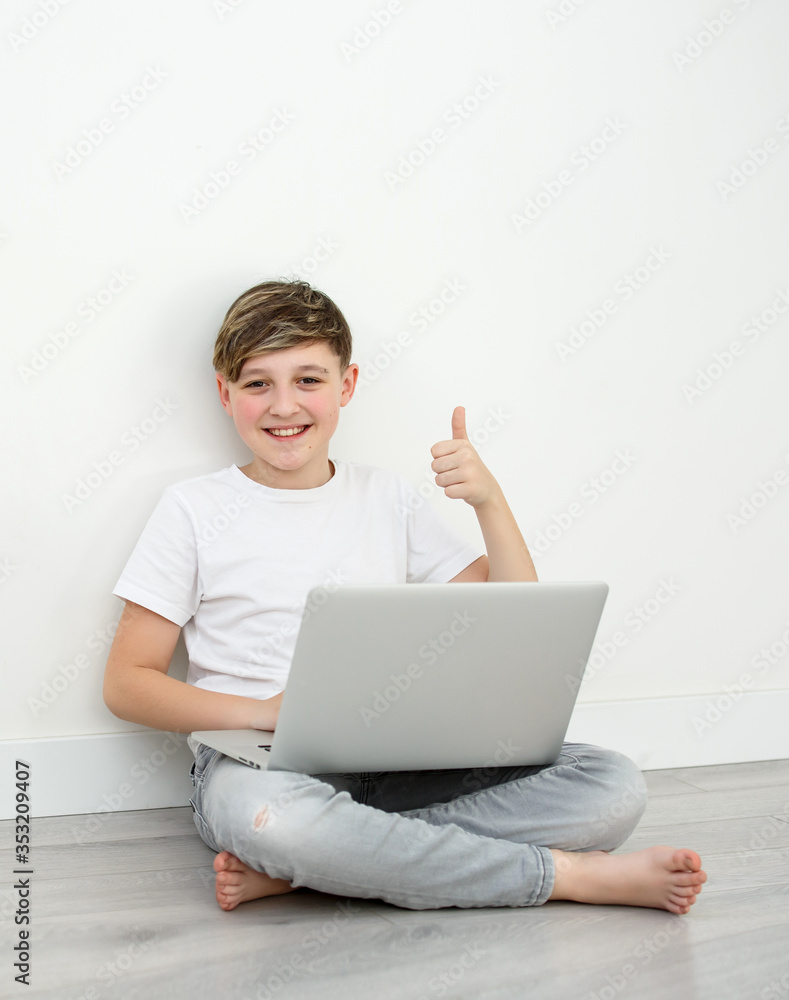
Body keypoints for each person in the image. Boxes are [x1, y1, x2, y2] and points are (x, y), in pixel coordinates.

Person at [103, 279, 706, 914]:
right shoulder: (192, 510)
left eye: (308, 379)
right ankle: (563, 877)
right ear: (226, 394)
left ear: (348, 385)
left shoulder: (386, 498)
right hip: (259, 769)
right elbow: (126, 683)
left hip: (393, 762)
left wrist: (489, 502)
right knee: (280, 823)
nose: (284, 405)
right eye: (258, 384)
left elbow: (516, 614)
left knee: (613, 786)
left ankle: (323, 869)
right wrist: (267, 712)